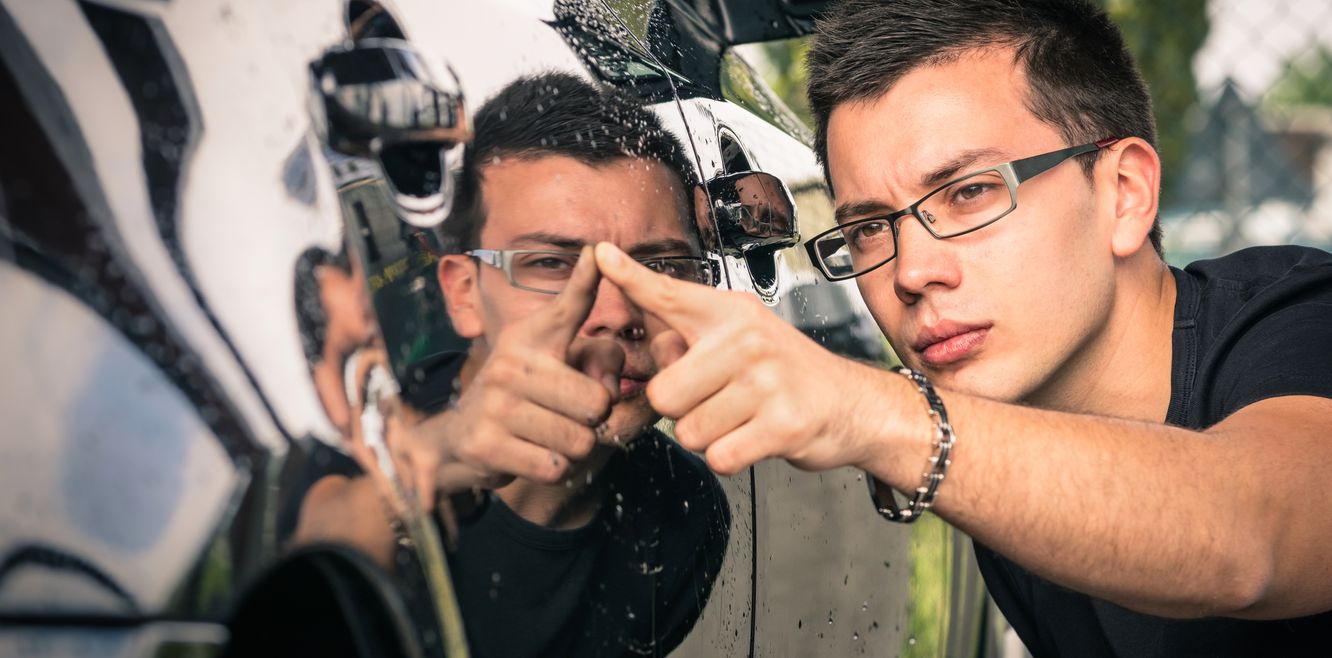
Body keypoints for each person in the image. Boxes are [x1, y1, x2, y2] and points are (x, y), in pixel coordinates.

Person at [588, 0, 1332, 655]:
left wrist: (879, 414)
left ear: (1125, 194)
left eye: (970, 192)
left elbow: (1253, 537)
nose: (911, 271)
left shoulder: (1298, 319)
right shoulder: (1012, 450)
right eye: (871, 228)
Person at [295, 72, 730, 658]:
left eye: (658, 267)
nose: (616, 312)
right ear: (463, 294)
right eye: (552, 264)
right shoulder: (342, 437)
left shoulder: (684, 507)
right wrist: (432, 464)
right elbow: (289, 578)